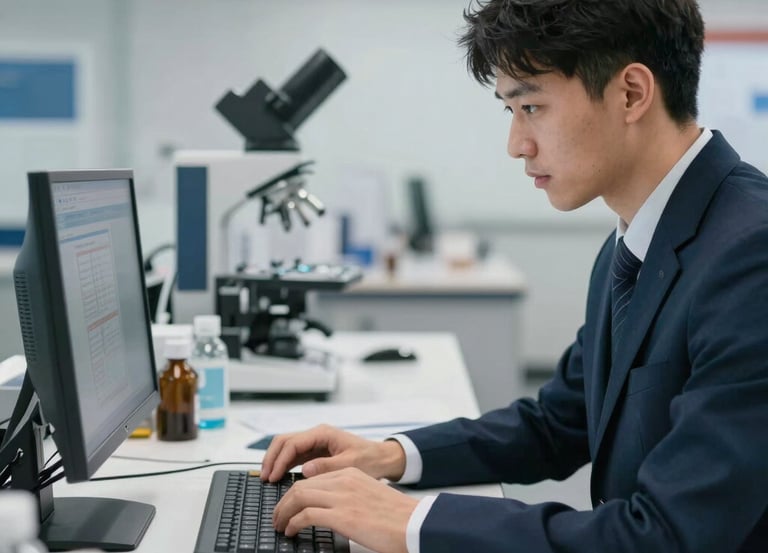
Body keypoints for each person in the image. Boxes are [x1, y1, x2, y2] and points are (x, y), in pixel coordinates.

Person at [261, 1, 768, 551]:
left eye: (531, 107)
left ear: (631, 94)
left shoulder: (750, 256)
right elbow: (557, 421)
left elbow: (666, 536)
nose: (516, 145)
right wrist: (389, 455)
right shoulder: (633, 243)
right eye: (511, 110)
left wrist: (412, 522)